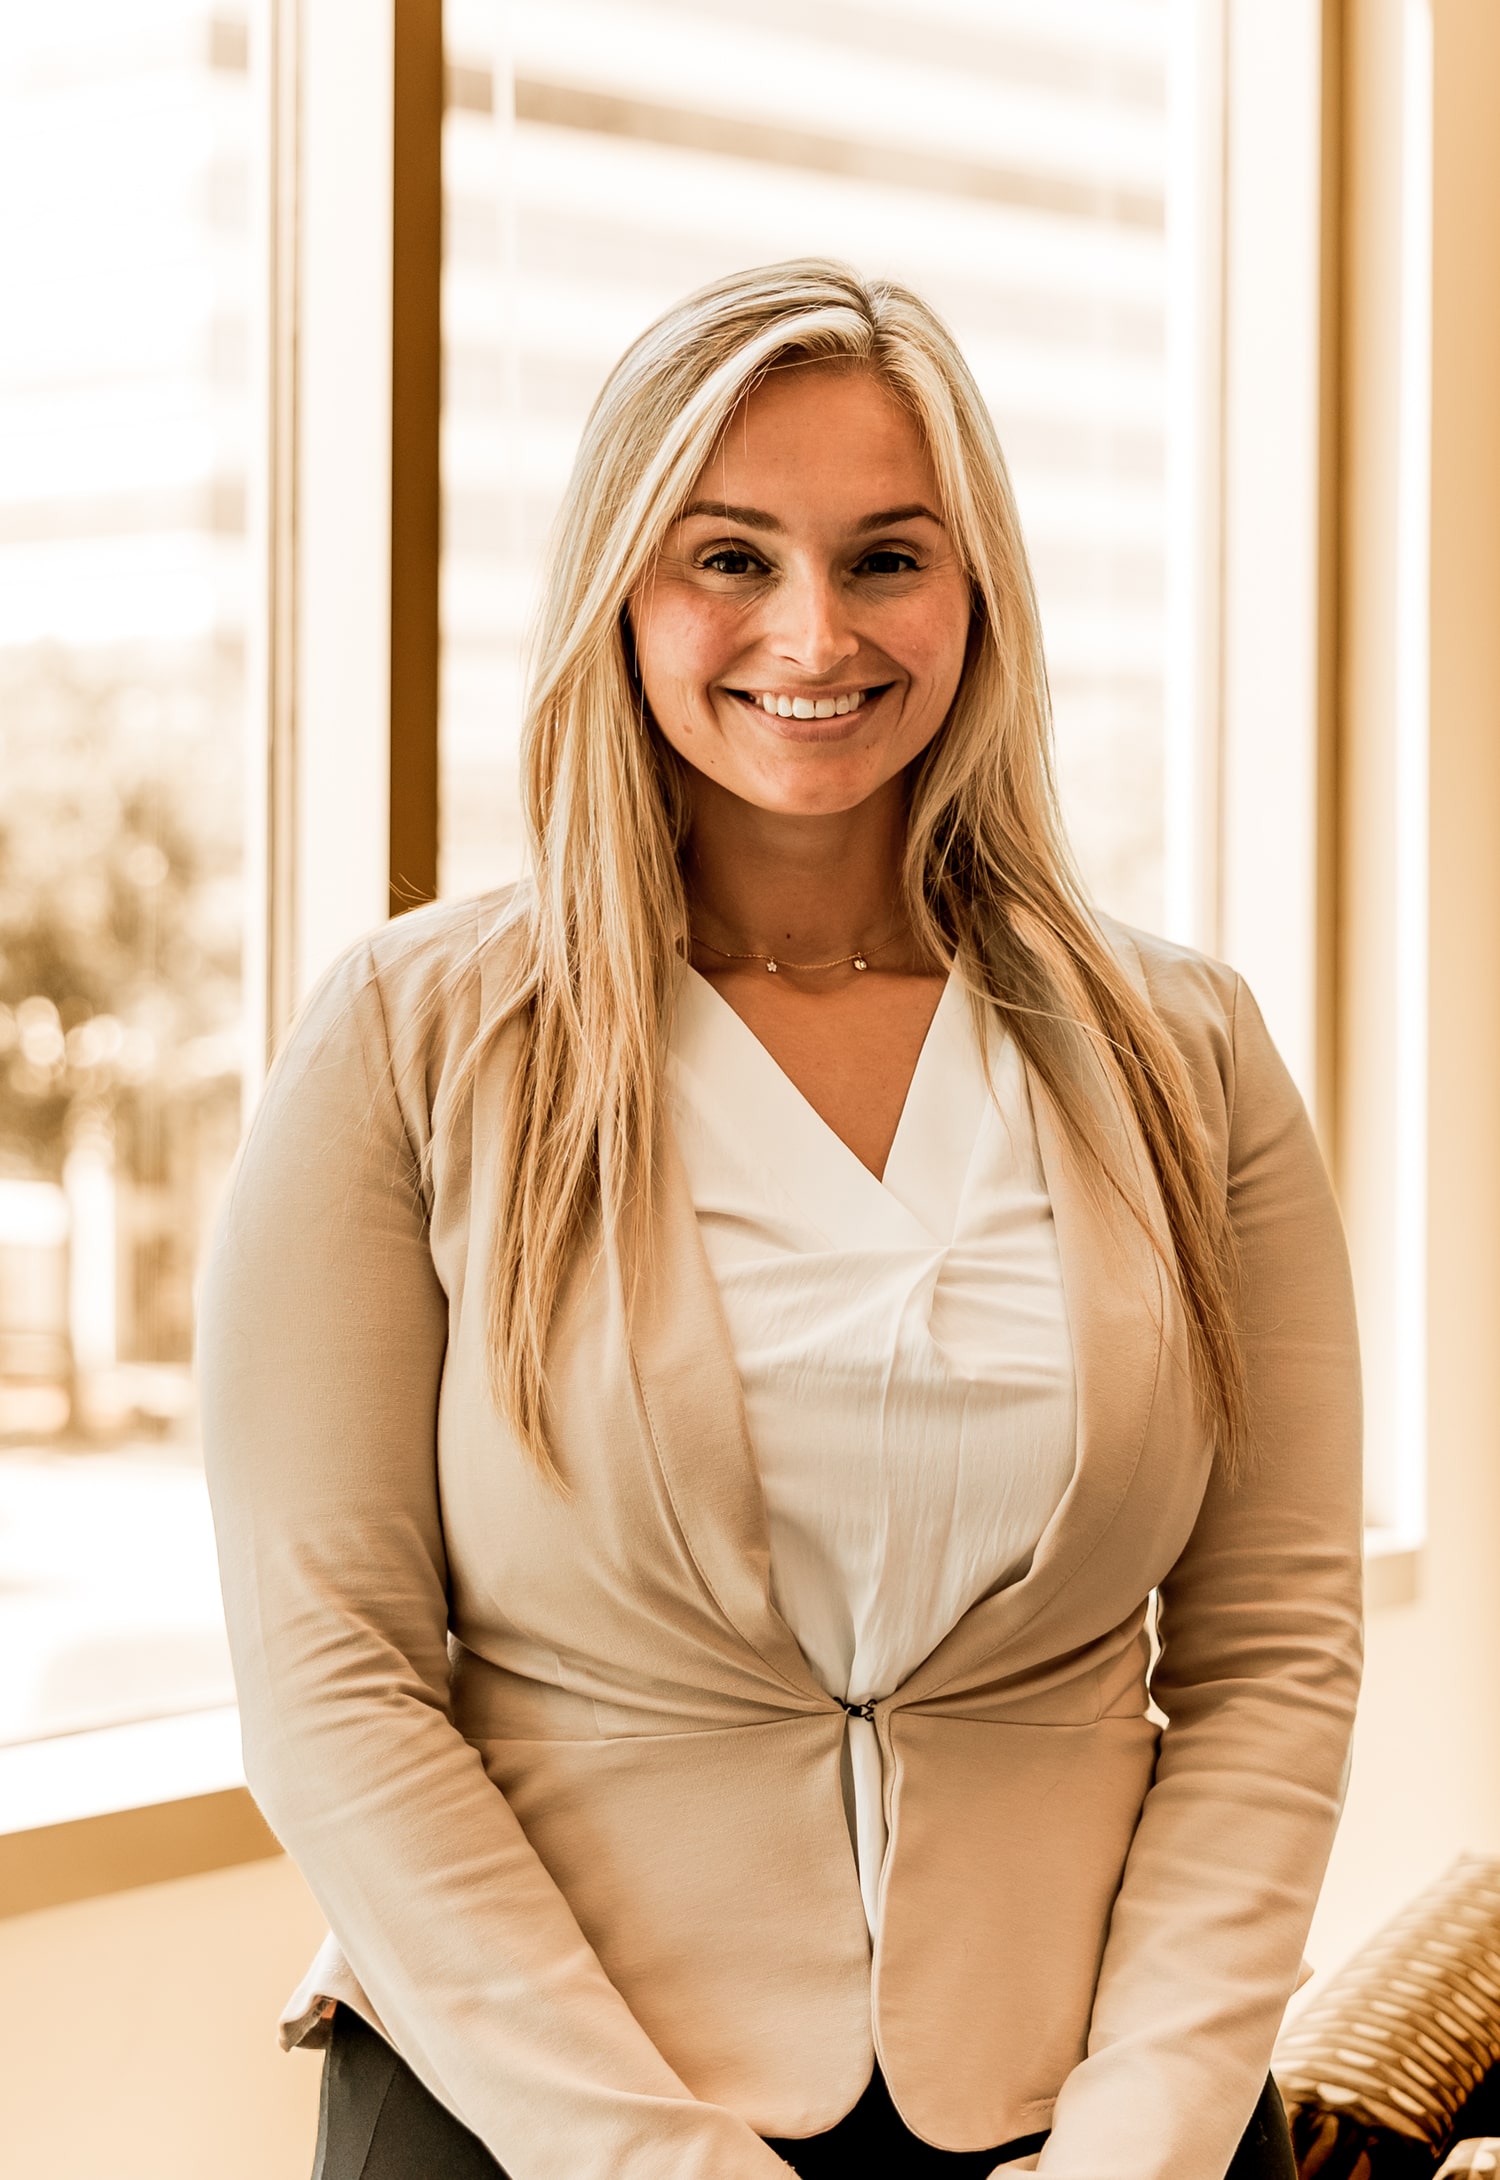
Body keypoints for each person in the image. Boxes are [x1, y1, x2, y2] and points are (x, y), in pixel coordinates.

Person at [199, 261, 1363, 2180]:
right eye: (729, 556)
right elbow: (332, 1677)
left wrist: (1146, 2135)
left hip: (1091, 2128)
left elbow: (1270, 1655)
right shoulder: (410, 1045)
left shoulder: (1187, 1055)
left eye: (887, 556)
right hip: (536, 2129)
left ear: (976, 590)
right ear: (620, 590)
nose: (813, 630)